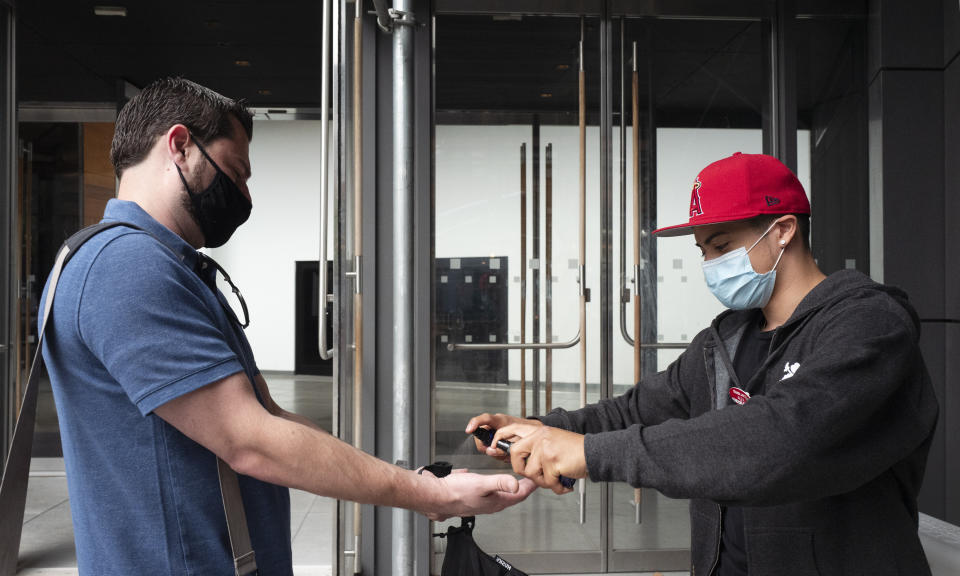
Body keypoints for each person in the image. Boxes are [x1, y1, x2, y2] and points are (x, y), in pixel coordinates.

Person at [40, 77, 535, 575]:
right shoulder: (126, 267)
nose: (244, 196)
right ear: (180, 146)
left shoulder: (156, 266)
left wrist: (416, 483)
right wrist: (433, 494)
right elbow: (251, 440)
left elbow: (269, 415)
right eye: (235, 173)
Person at [468, 152, 939, 576]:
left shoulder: (869, 325)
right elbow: (638, 409)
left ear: (783, 231)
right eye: (703, 251)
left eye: (721, 246)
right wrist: (542, 429)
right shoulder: (726, 339)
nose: (710, 265)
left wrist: (592, 453)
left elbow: (781, 439)